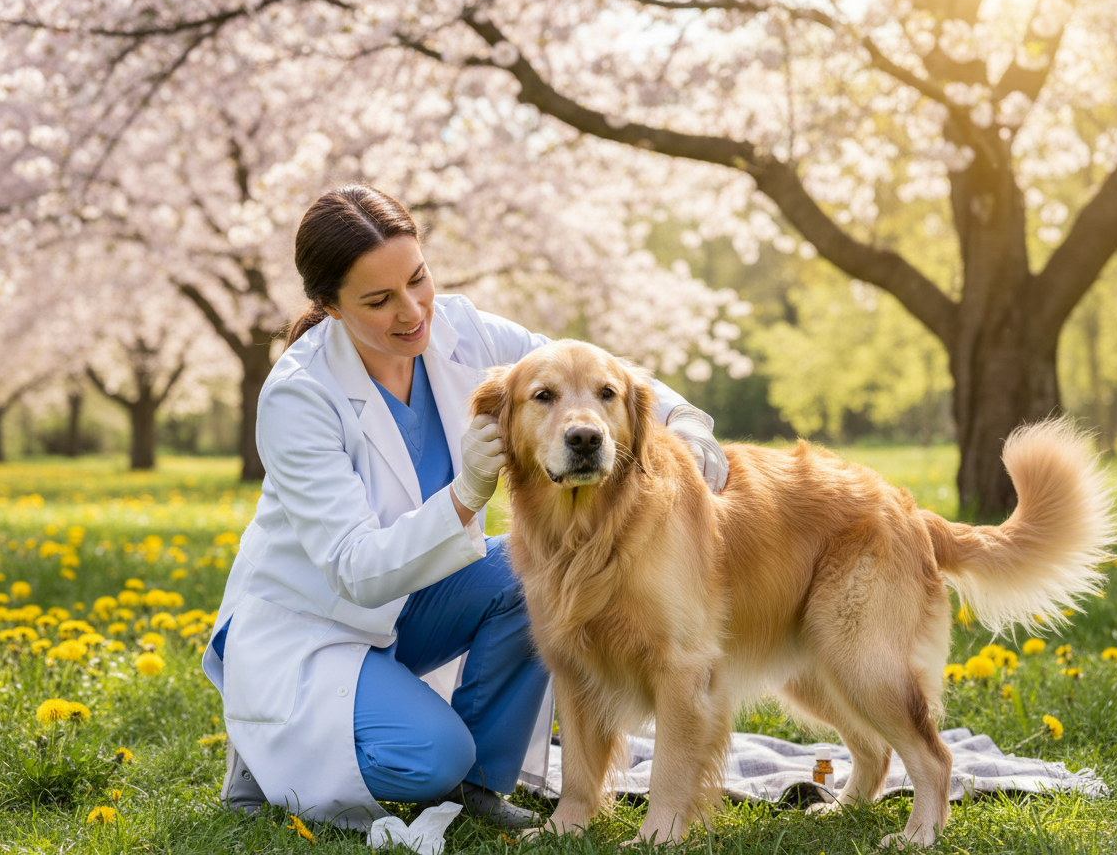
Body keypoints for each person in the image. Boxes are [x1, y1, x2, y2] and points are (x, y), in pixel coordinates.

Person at [201, 184, 729, 832]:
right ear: (329, 306)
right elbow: (353, 570)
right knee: (431, 758)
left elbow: (581, 366)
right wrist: (465, 493)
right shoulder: (299, 395)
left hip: (417, 598)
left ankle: (479, 787)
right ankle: (271, 752)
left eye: (417, 279)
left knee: (532, 573)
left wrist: (682, 418)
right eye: (379, 300)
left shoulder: (460, 329)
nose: (412, 311)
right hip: (316, 622)